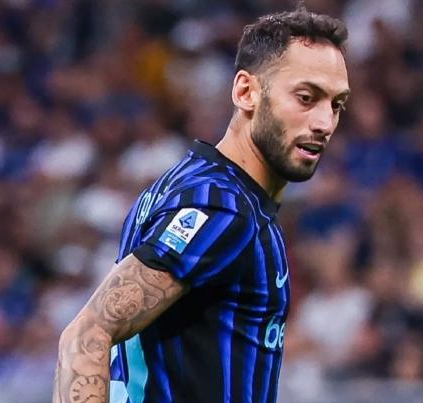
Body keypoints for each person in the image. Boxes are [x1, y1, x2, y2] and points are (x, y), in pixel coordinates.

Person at [53, 5, 350, 403]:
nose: (324, 123)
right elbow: (87, 335)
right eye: (306, 97)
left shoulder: (187, 185)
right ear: (246, 92)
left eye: (336, 104)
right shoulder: (223, 208)